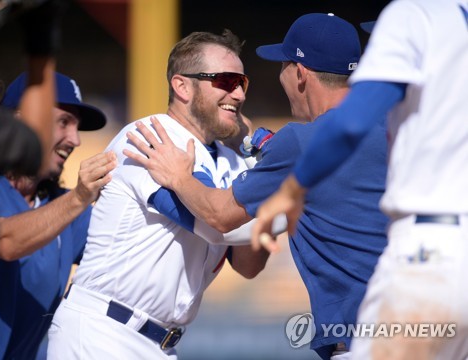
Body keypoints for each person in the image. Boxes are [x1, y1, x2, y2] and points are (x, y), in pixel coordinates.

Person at [123, 13, 389, 360]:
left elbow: (219, 216)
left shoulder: (299, 142)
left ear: (299, 73)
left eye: (282, 66)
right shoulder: (397, 126)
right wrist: (254, 141)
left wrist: (178, 176)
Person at [252, 1, 468, 359]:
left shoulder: (416, 15)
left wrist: (292, 187)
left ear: (301, 71)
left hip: (430, 252)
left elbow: (351, 122)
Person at [46, 29, 271, 359]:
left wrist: (256, 169)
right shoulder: (149, 137)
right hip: (102, 331)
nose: (237, 94)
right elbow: (218, 224)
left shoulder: (234, 161)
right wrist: (278, 199)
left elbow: (249, 264)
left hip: (160, 342)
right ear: (181, 86)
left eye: (242, 83)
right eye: (225, 81)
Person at [0, 70, 117, 359]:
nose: (75, 140)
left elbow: (124, 253)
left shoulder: (61, 207)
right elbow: (4, 242)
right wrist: (79, 197)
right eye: (63, 122)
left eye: (77, 127)